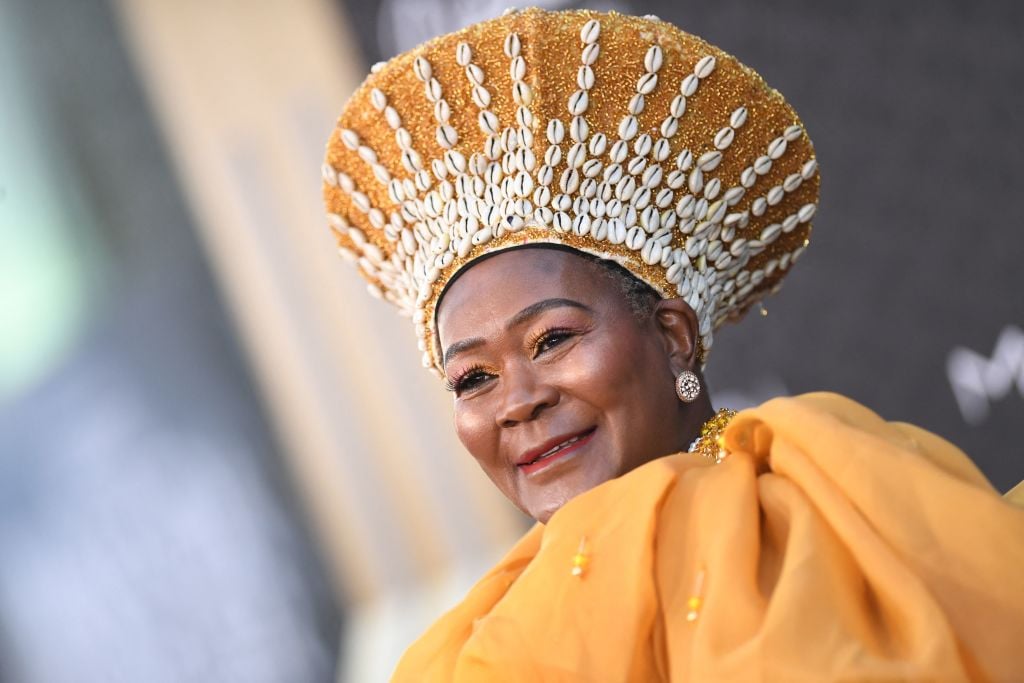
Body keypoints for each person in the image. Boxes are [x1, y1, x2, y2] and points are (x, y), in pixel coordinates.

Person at [321, 8, 1024, 681]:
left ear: (673, 335)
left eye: (552, 338)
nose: (518, 401)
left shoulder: (819, 503)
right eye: (473, 378)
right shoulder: (474, 640)